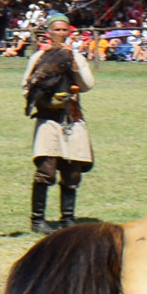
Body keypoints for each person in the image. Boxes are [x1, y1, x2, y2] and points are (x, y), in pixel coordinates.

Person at [21, 15, 95, 234]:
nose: (62, 34)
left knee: (72, 173)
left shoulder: (75, 57)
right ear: (49, 33)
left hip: (72, 118)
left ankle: (67, 218)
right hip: (48, 120)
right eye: (58, 30)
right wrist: (45, 100)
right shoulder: (38, 57)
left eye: (65, 30)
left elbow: (87, 84)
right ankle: (38, 220)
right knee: (47, 171)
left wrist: (73, 67)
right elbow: (27, 87)